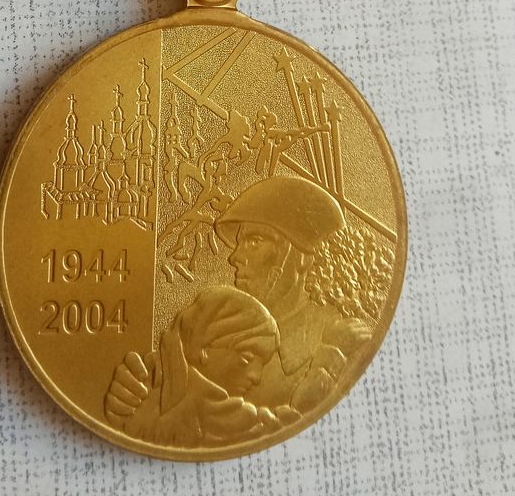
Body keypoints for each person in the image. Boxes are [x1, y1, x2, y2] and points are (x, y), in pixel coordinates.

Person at [106, 176, 370, 428]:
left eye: (254, 241)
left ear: (302, 257)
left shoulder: (344, 344)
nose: (235, 257)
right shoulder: (220, 332)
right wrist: (136, 389)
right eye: (240, 242)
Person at [104, 286, 285, 449]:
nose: (256, 377)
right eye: (247, 358)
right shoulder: (146, 393)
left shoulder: (256, 423)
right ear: (203, 349)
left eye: (262, 365)